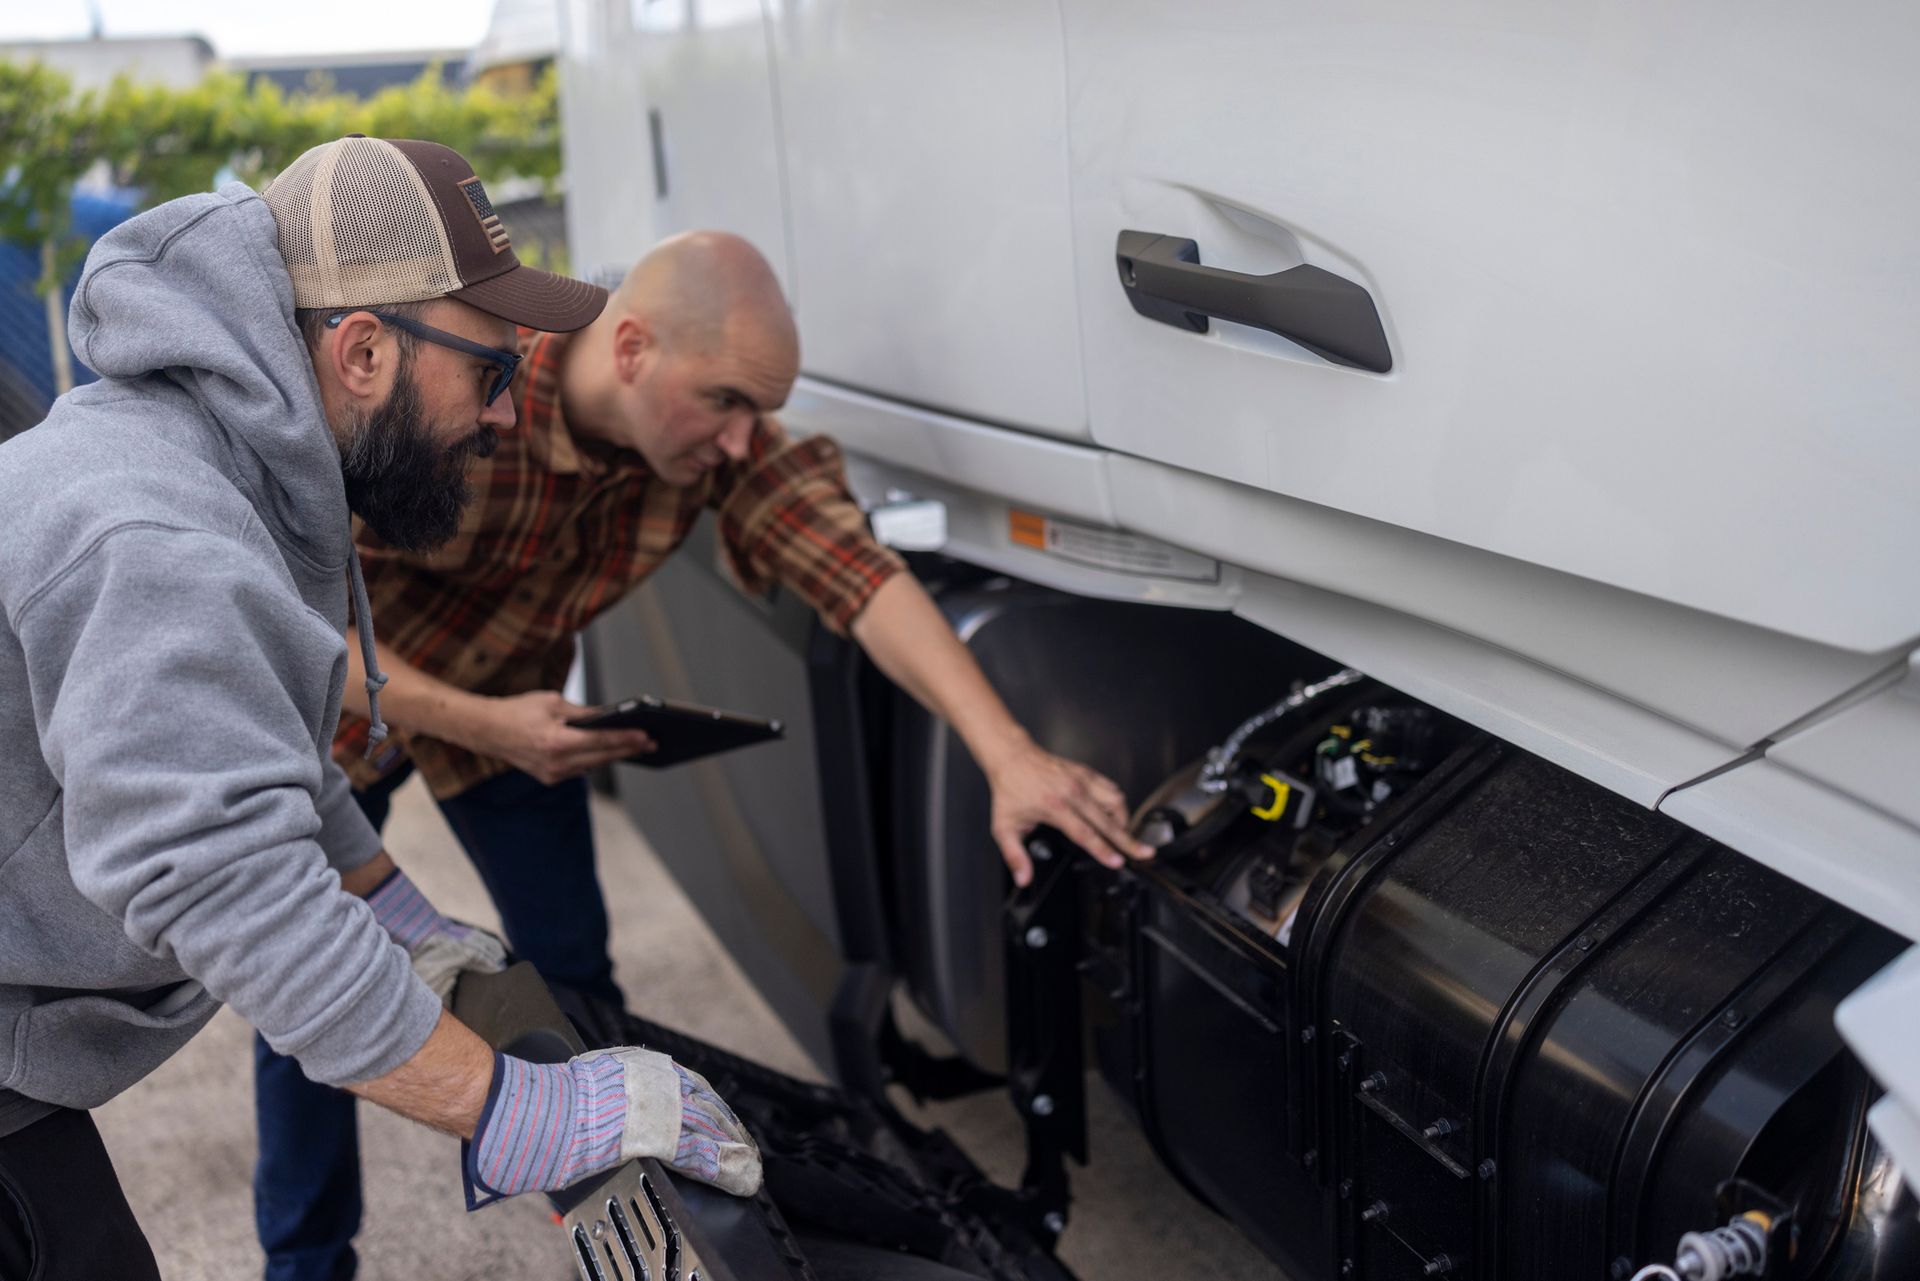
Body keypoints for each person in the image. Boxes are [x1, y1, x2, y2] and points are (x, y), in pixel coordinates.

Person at [250, 229, 1156, 1278]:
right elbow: (294, 622)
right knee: (306, 990)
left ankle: (619, 1233)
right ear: (630, 347)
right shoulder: (467, 389)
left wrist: (1008, 755)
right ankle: (305, 1265)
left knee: (572, 979)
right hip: (354, 700)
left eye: (757, 414)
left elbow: (856, 574)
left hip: (515, 718)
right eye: (725, 401)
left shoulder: (716, 443)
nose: (741, 440)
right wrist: (488, 723)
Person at [0, 138, 762, 1281]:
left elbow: (256, 741)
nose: (504, 417)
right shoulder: (160, 542)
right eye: (491, 375)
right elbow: (219, 876)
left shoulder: (229, 468)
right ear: (361, 351)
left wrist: (395, 912)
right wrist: (508, 1108)